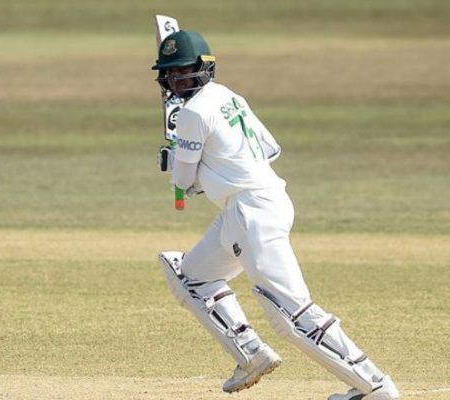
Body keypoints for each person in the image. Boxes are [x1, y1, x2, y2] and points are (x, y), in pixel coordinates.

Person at [153, 30, 400, 400]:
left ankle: (373, 387)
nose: (177, 80)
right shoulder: (229, 97)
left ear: (204, 68)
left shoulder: (191, 113)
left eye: (184, 72)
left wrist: (175, 161)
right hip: (260, 203)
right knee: (191, 277)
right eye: (171, 74)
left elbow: (184, 181)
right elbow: (269, 148)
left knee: (290, 313)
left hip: (251, 213)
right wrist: (213, 165)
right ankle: (250, 354)